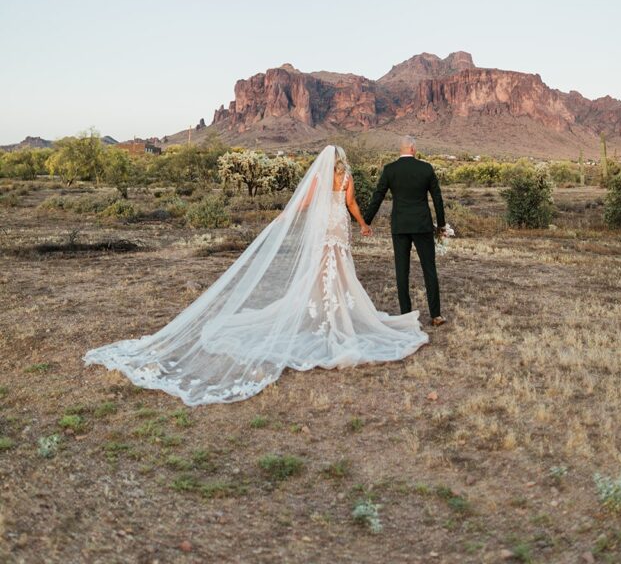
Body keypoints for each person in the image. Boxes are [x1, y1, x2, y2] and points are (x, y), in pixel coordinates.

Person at [84, 145, 427, 405]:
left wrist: (284, 217)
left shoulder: (322, 177)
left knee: (322, 265)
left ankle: (321, 310)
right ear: (342, 160)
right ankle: (331, 310)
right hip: (339, 224)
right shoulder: (347, 177)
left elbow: (305, 202)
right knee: (338, 265)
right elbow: (351, 205)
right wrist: (363, 224)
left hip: (325, 221)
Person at [364, 136, 446, 326]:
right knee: (429, 269)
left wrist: (366, 221)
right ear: (413, 148)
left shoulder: (390, 170)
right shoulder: (426, 169)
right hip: (422, 225)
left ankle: (406, 315)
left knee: (402, 271)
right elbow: (438, 198)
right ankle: (436, 315)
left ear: (401, 149)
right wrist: (441, 224)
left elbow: (378, 196)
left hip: (400, 226)